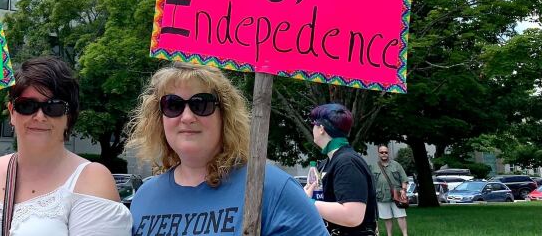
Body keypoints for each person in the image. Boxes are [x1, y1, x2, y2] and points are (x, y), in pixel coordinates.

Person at [0, 56, 131, 235]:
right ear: (12, 112)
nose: (39, 116)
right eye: (26, 106)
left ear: (69, 116)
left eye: (52, 107)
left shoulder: (91, 179)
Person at [127, 63, 328, 236]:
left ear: (225, 116)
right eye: (173, 104)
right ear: (159, 119)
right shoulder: (144, 197)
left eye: (201, 104)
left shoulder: (273, 189)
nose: (187, 117)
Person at [304, 104, 377, 236]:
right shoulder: (325, 164)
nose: (312, 129)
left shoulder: (347, 162)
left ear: (321, 129)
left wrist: (308, 203)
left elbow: (352, 216)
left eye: (313, 124)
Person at [369, 145, 408, 236]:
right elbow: (370, 182)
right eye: (382, 152)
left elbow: (404, 179)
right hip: (381, 196)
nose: (384, 154)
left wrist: (403, 190)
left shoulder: (396, 165)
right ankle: (389, 234)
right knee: (387, 218)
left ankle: (405, 234)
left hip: (397, 195)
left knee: (401, 216)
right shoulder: (373, 167)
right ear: (378, 154)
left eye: (386, 152)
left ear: (388, 153)